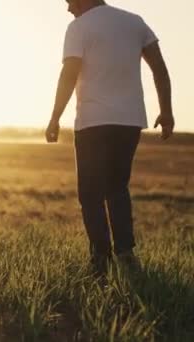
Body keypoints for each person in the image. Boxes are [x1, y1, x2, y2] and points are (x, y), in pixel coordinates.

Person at [45, 0, 174, 275]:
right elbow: (160, 68)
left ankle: (100, 258)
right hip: (129, 121)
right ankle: (125, 253)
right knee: (117, 187)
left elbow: (69, 74)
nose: (68, 8)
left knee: (90, 193)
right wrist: (167, 112)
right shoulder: (135, 22)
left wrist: (55, 117)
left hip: (93, 121)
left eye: (69, 2)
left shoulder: (78, 27)